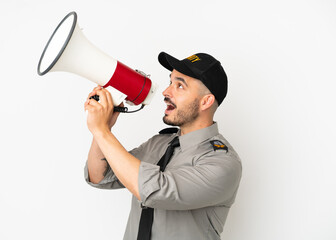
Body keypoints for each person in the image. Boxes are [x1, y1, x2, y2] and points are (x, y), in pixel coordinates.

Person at [84, 52, 242, 240]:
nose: (166, 92)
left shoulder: (221, 162)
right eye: (170, 82)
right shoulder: (159, 143)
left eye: (180, 86)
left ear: (205, 101)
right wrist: (104, 128)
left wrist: (102, 131)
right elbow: (101, 176)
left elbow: (155, 190)